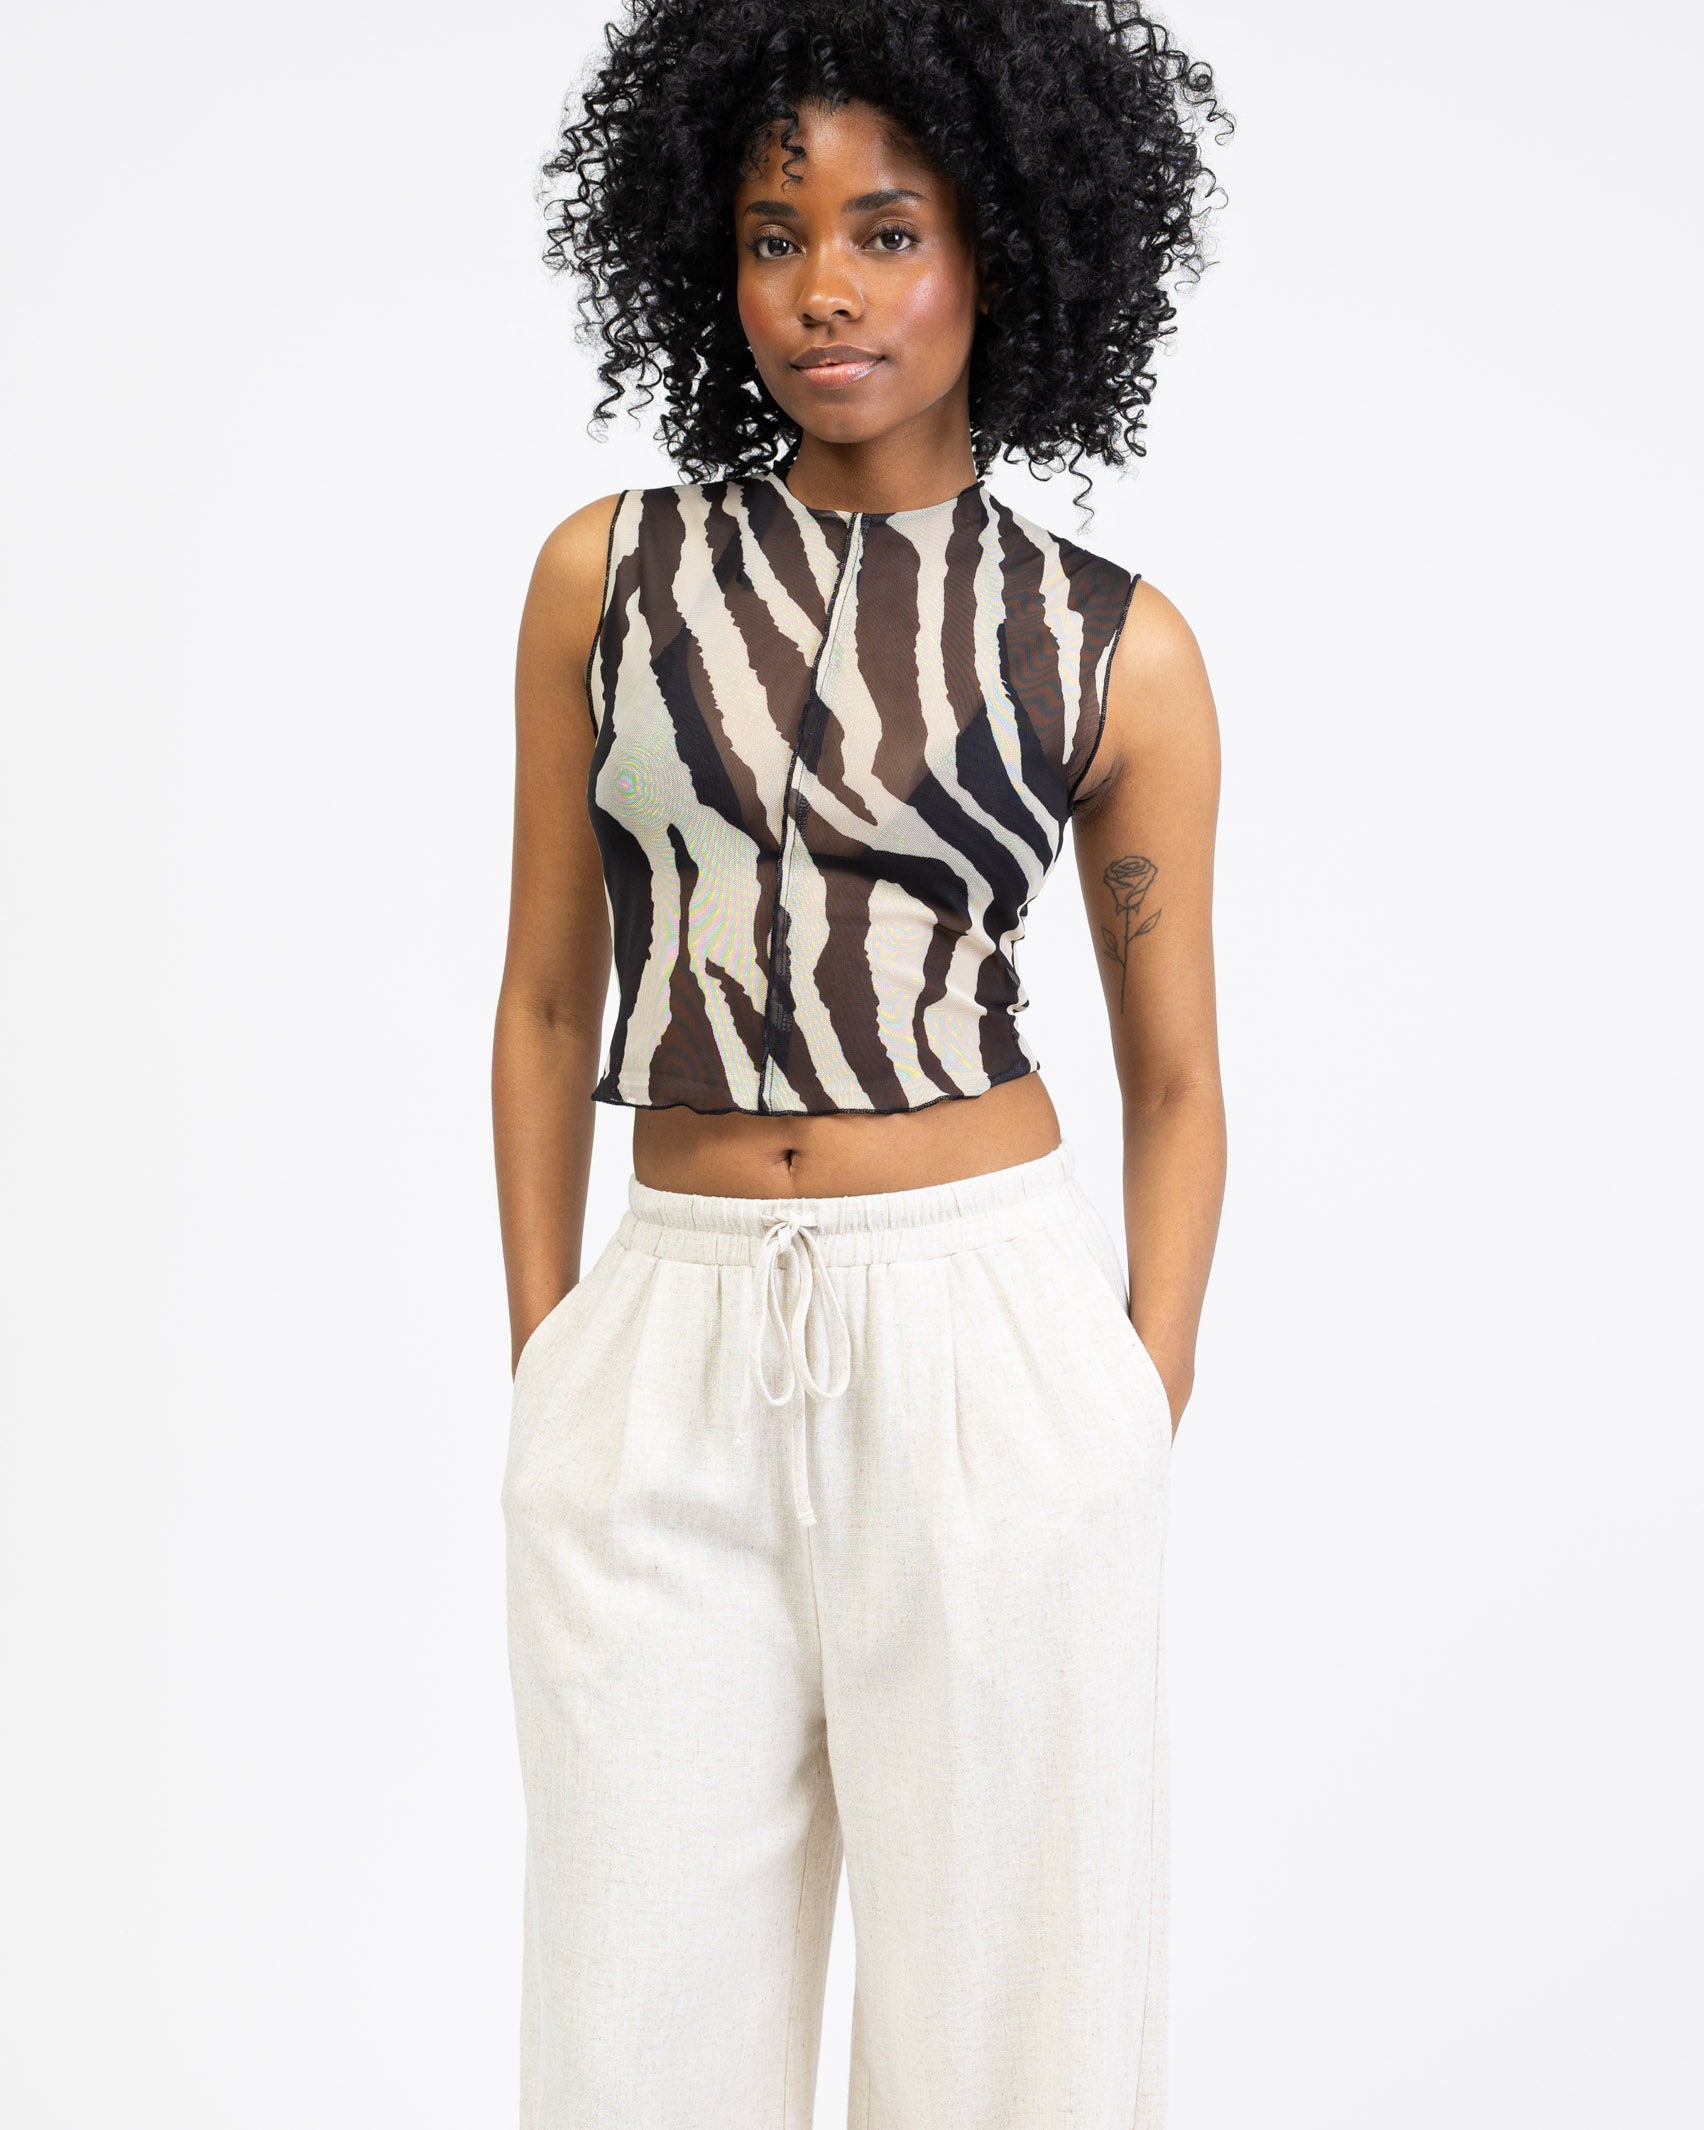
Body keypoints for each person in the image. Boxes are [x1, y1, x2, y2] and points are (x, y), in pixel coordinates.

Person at [492, 2, 1231, 2122]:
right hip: (667, 1338)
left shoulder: (1111, 643)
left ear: (1002, 242)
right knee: (631, 2032)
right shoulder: (606, 582)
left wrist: (1130, 1400)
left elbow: (1179, 1078)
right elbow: (544, 1001)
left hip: (984, 1343)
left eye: (887, 231)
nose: (825, 287)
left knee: (1016, 2028)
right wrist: (552, 1360)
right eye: (774, 232)